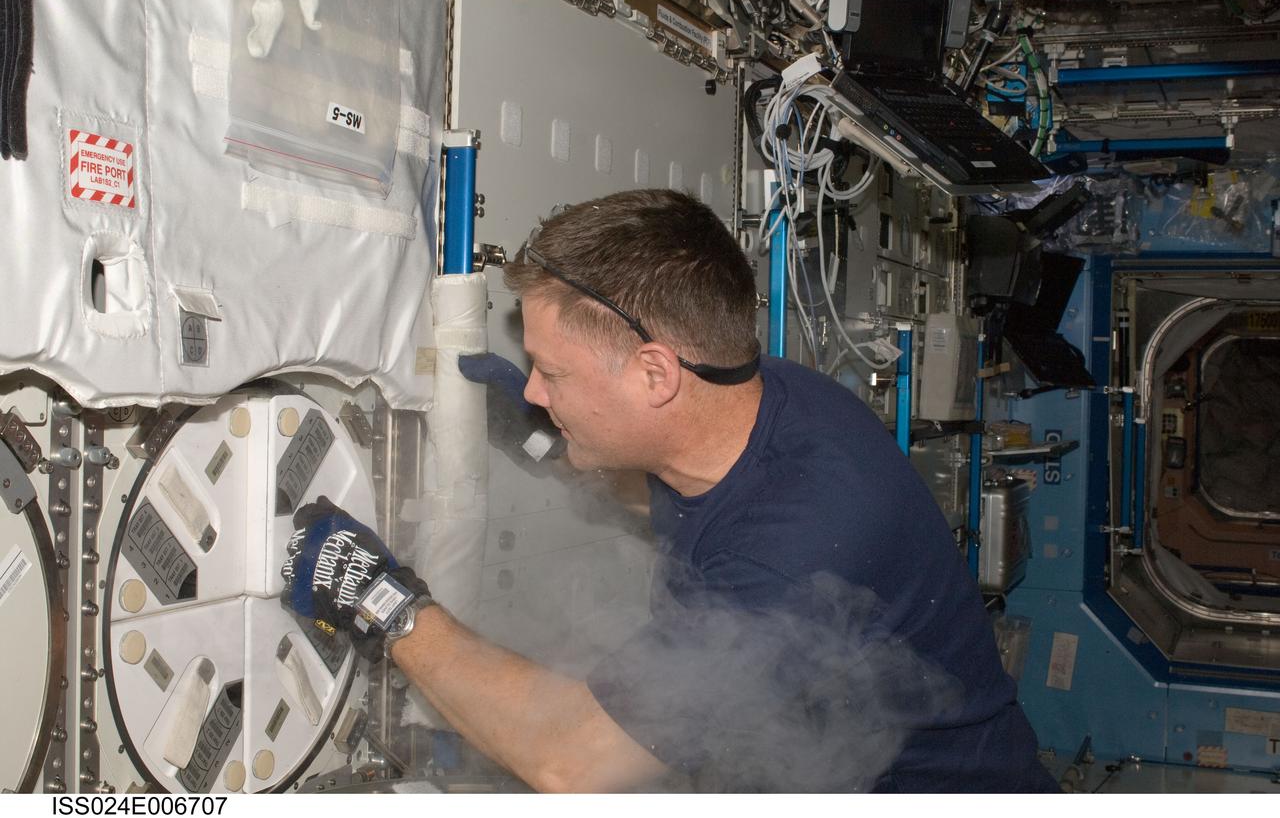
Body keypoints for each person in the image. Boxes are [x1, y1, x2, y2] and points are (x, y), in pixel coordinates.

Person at [281, 188, 1058, 793]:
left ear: (655, 374)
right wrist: (544, 437)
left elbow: (570, 761)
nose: (537, 391)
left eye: (552, 374)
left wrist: (380, 601)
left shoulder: (795, 549)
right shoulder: (766, 403)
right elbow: (673, 493)